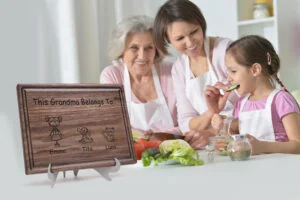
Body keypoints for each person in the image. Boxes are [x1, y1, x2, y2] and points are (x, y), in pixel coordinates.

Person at [153, 0, 239, 148]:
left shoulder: (226, 51)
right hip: (210, 145)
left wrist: (213, 130)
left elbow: (252, 105)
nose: (190, 42)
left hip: (242, 139)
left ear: (201, 24)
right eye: (180, 38)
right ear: (168, 40)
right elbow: (186, 123)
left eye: (194, 32)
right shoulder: (179, 68)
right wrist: (211, 112)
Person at [205, 35, 300, 154]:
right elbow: (238, 139)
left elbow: (298, 145)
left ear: (255, 70)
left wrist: (262, 147)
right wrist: (223, 124)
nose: (229, 78)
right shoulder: (241, 103)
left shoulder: (281, 100)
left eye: (233, 71)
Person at [100, 15, 182, 140]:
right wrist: (144, 140)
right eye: (134, 48)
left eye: (149, 48)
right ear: (121, 50)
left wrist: (160, 137)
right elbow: (111, 126)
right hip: (132, 154)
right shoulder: (112, 76)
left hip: (171, 147)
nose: (142, 56)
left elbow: (187, 122)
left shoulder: (172, 72)